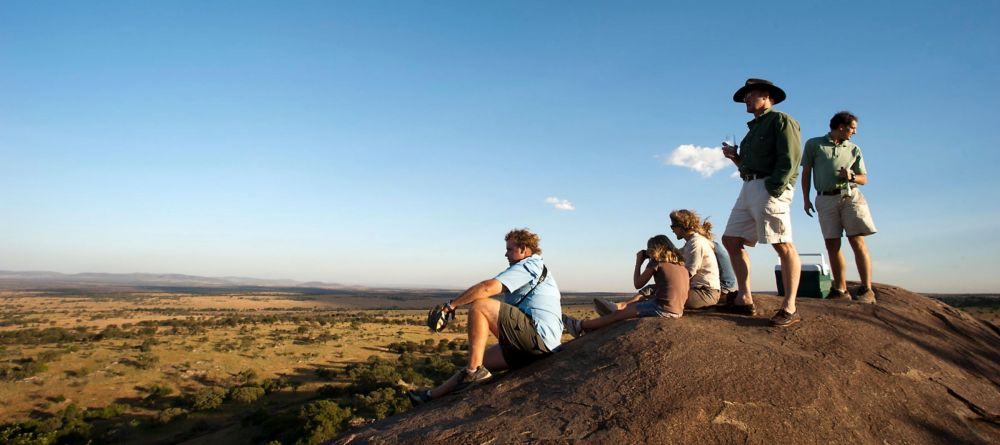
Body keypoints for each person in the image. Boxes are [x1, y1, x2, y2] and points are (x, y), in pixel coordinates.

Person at [408, 229, 563, 405]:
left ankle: (474, 373)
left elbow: (487, 287)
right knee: (477, 361)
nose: (506, 254)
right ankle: (429, 396)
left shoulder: (529, 266)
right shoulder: (531, 268)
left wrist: (450, 306)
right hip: (537, 345)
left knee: (481, 305)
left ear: (523, 248)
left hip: (538, 338)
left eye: (510, 249)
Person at [720, 78, 804, 327]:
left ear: (767, 97)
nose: (746, 99)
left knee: (782, 244)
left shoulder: (782, 121)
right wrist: (735, 158)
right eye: (745, 96)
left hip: (770, 187)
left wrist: (775, 188)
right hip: (748, 186)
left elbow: (790, 159)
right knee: (731, 240)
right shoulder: (752, 130)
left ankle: (790, 307)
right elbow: (747, 166)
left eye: (751, 94)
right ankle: (744, 298)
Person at [801, 111, 878, 303]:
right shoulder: (814, 144)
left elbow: (864, 179)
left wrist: (851, 176)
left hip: (850, 197)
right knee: (832, 244)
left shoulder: (854, 149)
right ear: (841, 127)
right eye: (853, 128)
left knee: (856, 240)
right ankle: (840, 289)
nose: (855, 132)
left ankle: (867, 289)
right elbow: (806, 173)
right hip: (825, 198)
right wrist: (806, 198)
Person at [564, 235, 688, 337]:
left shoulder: (657, 262)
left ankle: (579, 326)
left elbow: (637, 283)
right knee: (630, 306)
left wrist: (638, 262)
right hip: (677, 310)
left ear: (655, 250)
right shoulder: (681, 266)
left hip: (662, 309)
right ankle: (595, 324)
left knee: (617, 315)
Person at [668, 209, 723, 308]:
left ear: (682, 225)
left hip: (705, 293)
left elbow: (689, 272)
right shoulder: (691, 243)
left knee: (663, 298)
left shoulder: (696, 243)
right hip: (701, 290)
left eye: (673, 226)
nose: (672, 230)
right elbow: (675, 254)